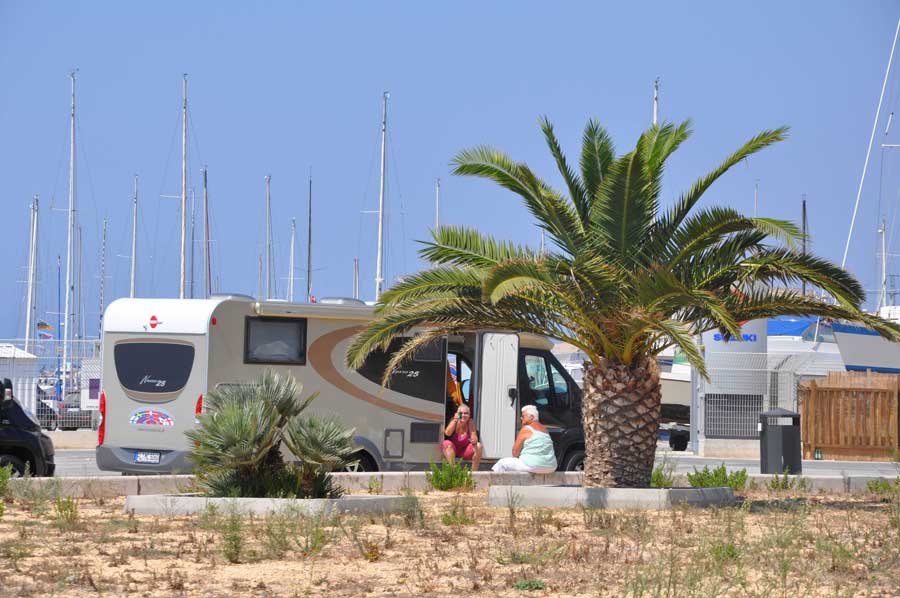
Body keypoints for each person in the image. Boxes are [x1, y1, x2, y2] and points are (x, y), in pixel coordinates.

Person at [491, 405, 558, 473]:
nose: (521, 418)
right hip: (551, 466)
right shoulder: (545, 429)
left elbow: (515, 452)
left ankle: (491, 483)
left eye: (523, 416)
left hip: (534, 466)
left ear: (531, 416)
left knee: (502, 463)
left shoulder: (526, 429)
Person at [442, 404, 482, 470]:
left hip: (464, 452)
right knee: (446, 443)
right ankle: (454, 470)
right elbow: (447, 433)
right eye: (461, 413)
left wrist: (474, 440)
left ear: (469, 415)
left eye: (466, 413)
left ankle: (474, 473)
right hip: (452, 451)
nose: (463, 415)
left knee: (478, 445)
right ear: (457, 414)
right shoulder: (454, 420)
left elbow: (474, 435)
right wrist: (455, 420)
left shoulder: (470, 422)